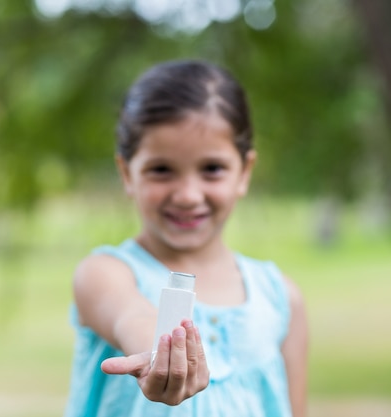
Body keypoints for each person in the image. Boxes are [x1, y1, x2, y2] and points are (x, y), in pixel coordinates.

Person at [64, 59, 308, 417]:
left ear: (245, 172)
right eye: (161, 170)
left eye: (212, 169)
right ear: (127, 174)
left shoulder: (280, 297)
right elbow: (131, 317)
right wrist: (158, 354)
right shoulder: (104, 275)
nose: (188, 195)